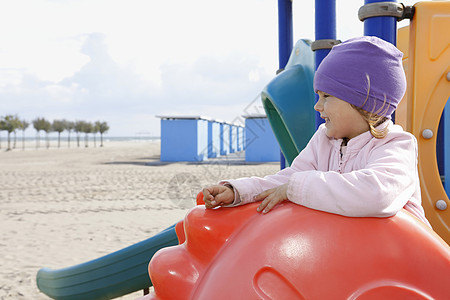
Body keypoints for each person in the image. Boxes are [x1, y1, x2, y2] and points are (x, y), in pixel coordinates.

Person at [202, 36, 431, 227]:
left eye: (326, 96)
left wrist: (297, 188)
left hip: (405, 263)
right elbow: (287, 179)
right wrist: (238, 191)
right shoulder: (324, 140)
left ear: (362, 101)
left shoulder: (395, 145)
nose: (317, 106)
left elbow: (378, 194)